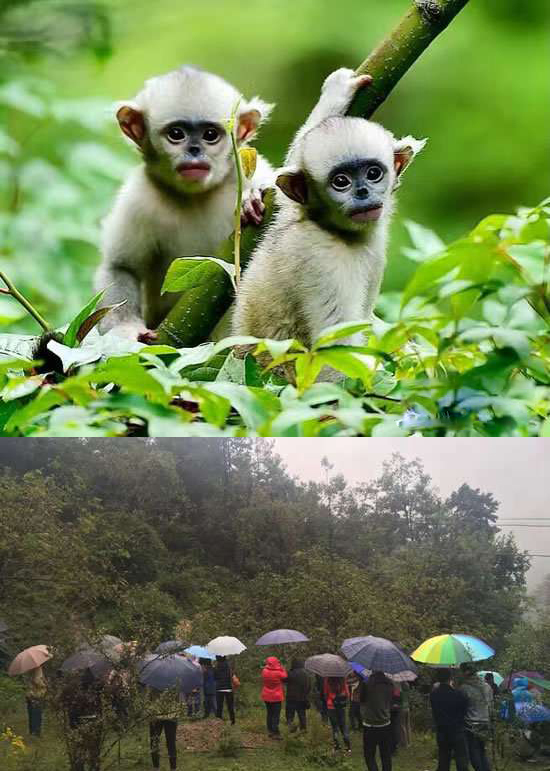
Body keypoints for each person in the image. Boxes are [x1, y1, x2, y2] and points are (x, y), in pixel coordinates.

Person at [430, 668, 469, 771]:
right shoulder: (458, 694)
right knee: (461, 760)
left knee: (443, 758)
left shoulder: (434, 694)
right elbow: (465, 710)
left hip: (442, 730)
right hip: (457, 730)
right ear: (450, 678)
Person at [459, 663, 493, 771]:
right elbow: (491, 705)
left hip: (471, 725)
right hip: (486, 722)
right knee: (482, 750)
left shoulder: (463, 688)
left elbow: (461, 707)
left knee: (474, 751)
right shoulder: (487, 686)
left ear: (465, 673)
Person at [360, 670, 394, 771]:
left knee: (369, 755)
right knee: (386, 755)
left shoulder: (367, 683)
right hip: (385, 724)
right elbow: (390, 700)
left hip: (370, 725)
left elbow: (362, 699)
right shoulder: (389, 683)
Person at [148, 688, 179, 771]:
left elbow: (150, 698)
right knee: (170, 742)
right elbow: (177, 699)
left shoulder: (153, 679)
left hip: (157, 715)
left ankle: (156, 767)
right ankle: (173, 768)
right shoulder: (175, 680)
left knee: (154, 742)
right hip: (171, 715)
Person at [261, 656, 287, 738]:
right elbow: (285, 676)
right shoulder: (279, 673)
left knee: (269, 713)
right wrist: (282, 668)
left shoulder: (264, 671)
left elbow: (268, 669)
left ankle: (270, 731)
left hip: (266, 695)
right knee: (276, 714)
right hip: (276, 696)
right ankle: (276, 732)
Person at [324, 676, 351, 752]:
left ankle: (336, 746)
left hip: (331, 706)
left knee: (334, 727)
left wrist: (329, 699)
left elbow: (325, 694)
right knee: (343, 726)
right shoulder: (342, 678)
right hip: (341, 706)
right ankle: (347, 747)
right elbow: (347, 694)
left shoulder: (327, 679)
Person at [284, 658, 311, 732]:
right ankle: (303, 730)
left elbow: (283, 679)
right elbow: (309, 686)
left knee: (290, 715)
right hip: (302, 698)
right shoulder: (306, 674)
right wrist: (306, 695)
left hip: (291, 698)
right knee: (302, 715)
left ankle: (291, 729)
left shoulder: (291, 673)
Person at [26, 665, 47, 737]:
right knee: (37, 714)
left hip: (30, 694)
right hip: (36, 695)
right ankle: (36, 733)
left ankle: (32, 732)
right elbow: (37, 681)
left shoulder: (29, 667)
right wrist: (45, 683)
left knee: (31, 714)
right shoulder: (38, 668)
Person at [214, 656, 235, 724]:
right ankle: (232, 721)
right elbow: (232, 675)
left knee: (219, 706)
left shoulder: (216, 667)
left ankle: (219, 720)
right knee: (230, 706)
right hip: (228, 688)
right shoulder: (229, 666)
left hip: (219, 688)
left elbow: (215, 677)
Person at [389, 684, 402, 754]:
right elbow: (399, 700)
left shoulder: (393, 689)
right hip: (394, 711)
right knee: (394, 729)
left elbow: (398, 699)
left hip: (392, 711)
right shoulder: (397, 688)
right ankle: (394, 747)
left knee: (392, 730)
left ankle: (393, 748)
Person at [399, 682, 411, 748]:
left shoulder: (400, 691)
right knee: (407, 725)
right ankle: (409, 742)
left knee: (402, 726)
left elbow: (397, 698)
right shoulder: (407, 690)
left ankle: (404, 743)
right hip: (407, 708)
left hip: (402, 709)